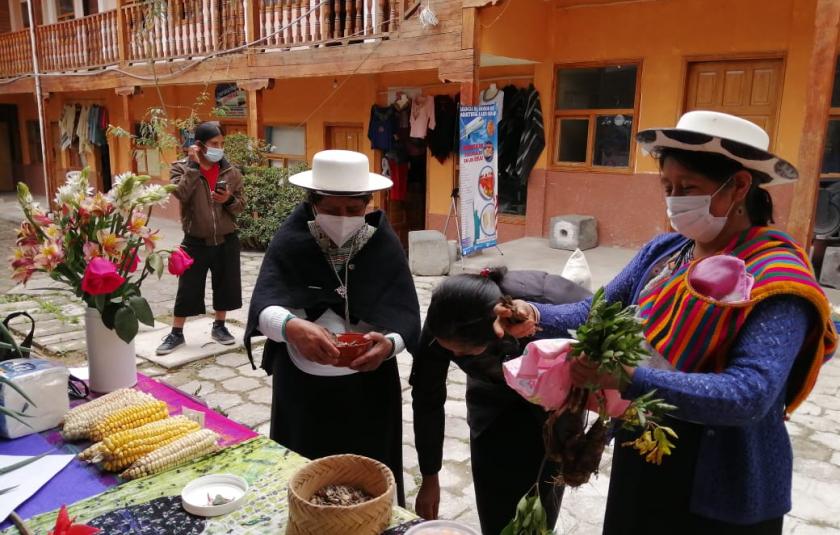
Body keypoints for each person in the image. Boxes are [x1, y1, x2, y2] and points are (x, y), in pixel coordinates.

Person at [497, 111, 837, 534]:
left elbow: (750, 393)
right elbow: (597, 311)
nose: (675, 200)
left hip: (724, 483)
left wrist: (628, 377)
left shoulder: (776, 281)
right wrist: (533, 315)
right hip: (648, 452)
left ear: (740, 187)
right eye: (668, 188)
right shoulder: (667, 252)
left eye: (688, 188)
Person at [243, 150, 421, 506]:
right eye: (332, 210)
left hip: (369, 389)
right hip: (303, 391)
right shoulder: (291, 240)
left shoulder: (382, 243)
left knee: (369, 479)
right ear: (313, 204)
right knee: (305, 478)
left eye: (353, 211)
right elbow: (264, 306)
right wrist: (291, 326)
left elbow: (406, 314)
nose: (343, 219)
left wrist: (388, 345)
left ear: (367, 205)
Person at [411, 267, 591, 535]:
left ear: (496, 332)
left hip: (552, 407)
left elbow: (604, 319)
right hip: (491, 406)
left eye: (462, 353)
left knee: (539, 512)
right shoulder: (446, 316)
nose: (455, 356)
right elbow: (427, 394)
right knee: (494, 506)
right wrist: (430, 476)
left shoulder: (547, 300)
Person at [157, 122, 245, 355]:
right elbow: (182, 194)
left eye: (222, 144)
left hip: (226, 238)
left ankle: (220, 326)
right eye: (214, 144)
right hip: (195, 239)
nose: (219, 149)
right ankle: (176, 333)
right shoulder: (180, 168)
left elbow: (241, 206)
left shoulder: (231, 172)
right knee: (188, 288)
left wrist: (227, 200)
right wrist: (193, 167)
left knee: (226, 285)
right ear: (199, 145)